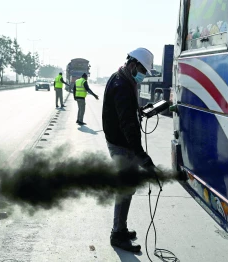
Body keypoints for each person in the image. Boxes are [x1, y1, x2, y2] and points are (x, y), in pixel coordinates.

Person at [102, 48, 155, 253]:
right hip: (121, 143)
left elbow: (124, 111)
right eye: (142, 70)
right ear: (133, 64)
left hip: (118, 140)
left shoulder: (120, 78)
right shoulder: (121, 85)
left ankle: (121, 228)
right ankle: (118, 234)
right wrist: (141, 154)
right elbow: (127, 124)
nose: (143, 75)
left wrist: (140, 110)